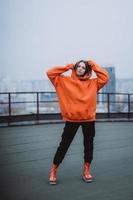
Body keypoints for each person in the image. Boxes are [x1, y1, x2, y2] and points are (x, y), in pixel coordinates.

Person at [46, 59, 109, 185]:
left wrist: (92, 64)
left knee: (89, 145)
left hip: (89, 120)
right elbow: (50, 73)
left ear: (87, 70)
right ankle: (53, 170)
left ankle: (86, 170)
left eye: (83, 67)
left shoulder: (93, 83)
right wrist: (66, 67)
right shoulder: (64, 81)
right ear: (75, 68)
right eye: (78, 66)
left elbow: (105, 77)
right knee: (64, 145)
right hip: (72, 119)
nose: (80, 68)